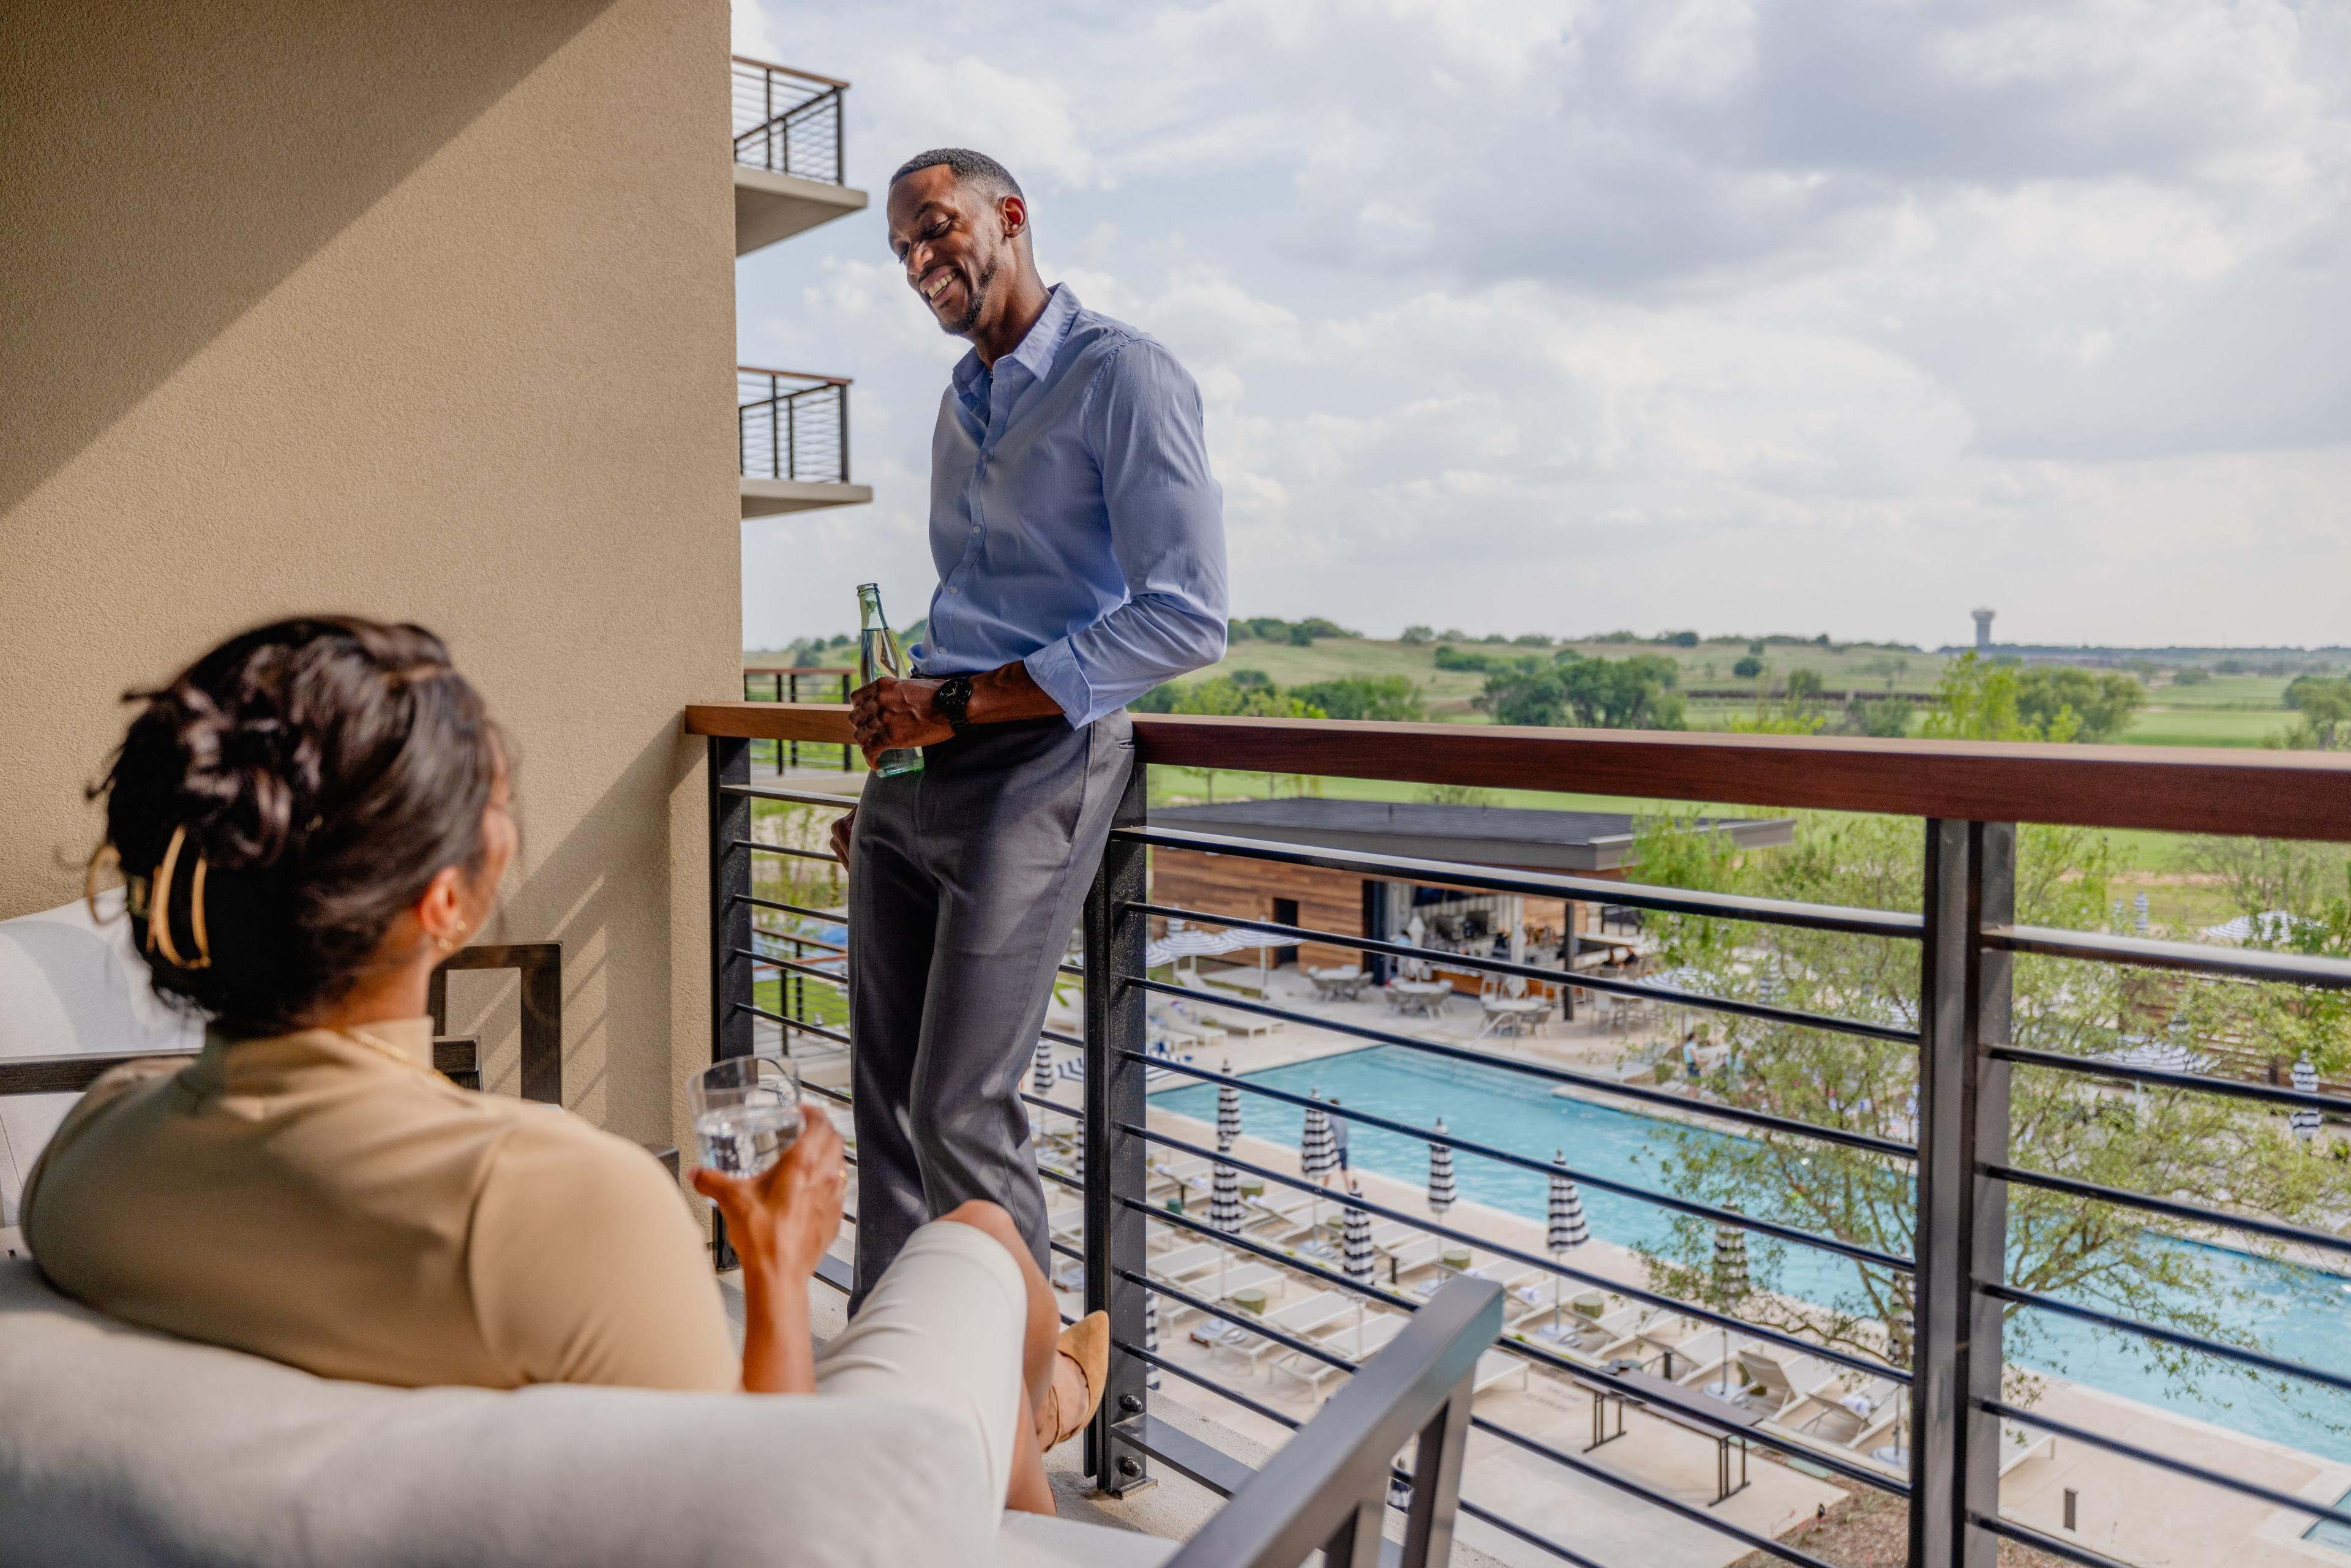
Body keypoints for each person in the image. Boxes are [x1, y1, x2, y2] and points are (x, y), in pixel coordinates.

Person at [21, 617, 1103, 1518]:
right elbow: (764, 1512)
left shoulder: (86, 1163)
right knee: (984, 1242)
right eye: (494, 801)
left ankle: (1039, 1400)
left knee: (983, 1260)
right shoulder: (561, 1203)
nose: (508, 824)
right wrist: (775, 1271)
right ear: (444, 903)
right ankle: (1040, 1427)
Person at [831, 148, 1227, 1303]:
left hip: (1039, 762)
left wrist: (956, 705)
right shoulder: (961, 403)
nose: (919, 261)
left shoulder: (1126, 377)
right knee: (889, 1101)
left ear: (1008, 217)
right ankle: (896, 1390)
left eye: (936, 228)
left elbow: (1186, 617)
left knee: (960, 1099)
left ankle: (1030, 1384)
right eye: (903, 248)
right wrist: (904, 730)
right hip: (921, 770)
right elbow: (976, 601)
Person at [1328, 1097, 1351, 1174]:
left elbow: (1334, 1135)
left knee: (1328, 1171)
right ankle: (1351, 1186)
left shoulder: (1331, 1119)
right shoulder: (1344, 1118)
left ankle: (1322, 1187)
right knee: (1344, 1171)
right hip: (1344, 1148)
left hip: (1336, 1149)